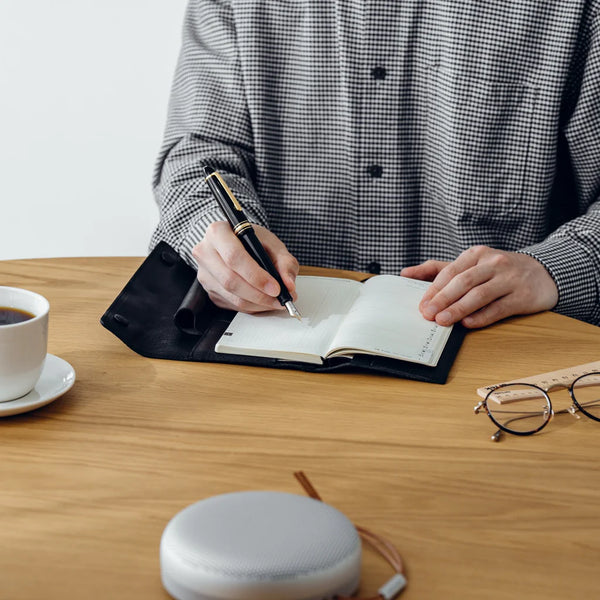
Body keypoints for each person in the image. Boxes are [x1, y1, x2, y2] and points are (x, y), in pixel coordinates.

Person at [151, 1, 600, 328]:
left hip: (503, 367)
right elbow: (198, 154)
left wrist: (552, 269)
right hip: (273, 344)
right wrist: (214, 235)